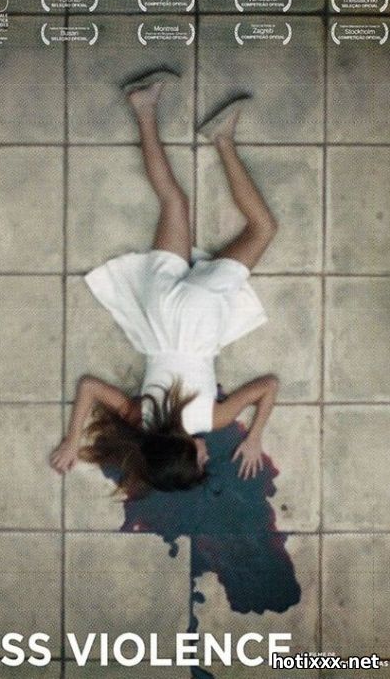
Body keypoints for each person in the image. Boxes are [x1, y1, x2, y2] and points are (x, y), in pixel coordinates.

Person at [49, 69, 279, 496]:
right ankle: (143, 106)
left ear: (184, 449)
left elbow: (269, 386)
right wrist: (71, 439)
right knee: (174, 200)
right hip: (158, 310)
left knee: (263, 228)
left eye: (200, 459)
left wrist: (255, 436)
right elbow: (89, 387)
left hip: (197, 313)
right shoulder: (141, 418)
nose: (207, 456)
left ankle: (223, 140)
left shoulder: (211, 419)